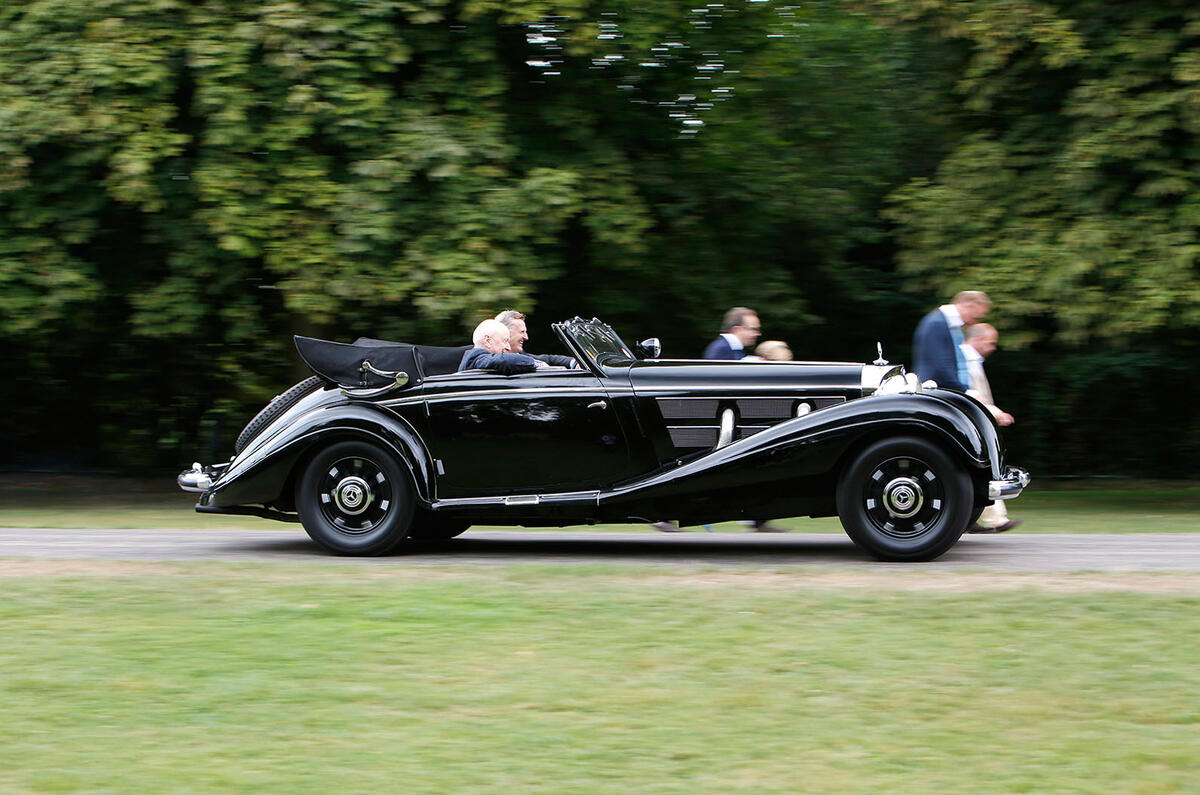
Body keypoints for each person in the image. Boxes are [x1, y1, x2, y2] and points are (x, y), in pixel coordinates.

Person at [960, 323, 1022, 533]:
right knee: (983, 468)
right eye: (990, 342)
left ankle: (971, 520)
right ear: (977, 339)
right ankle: (996, 519)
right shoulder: (967, 361)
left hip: (974, 421)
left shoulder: (970, 360)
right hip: (972, 421)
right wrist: (995, 413)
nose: (993, 347)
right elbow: (971, 394)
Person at [911, 291, 991, 392]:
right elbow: (941, 367)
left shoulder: (949, 325)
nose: (974, 322)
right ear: (969, 306)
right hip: (933, 394)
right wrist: (965, 392)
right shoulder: (937, 323)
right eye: (976, 317)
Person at [495, 310, 576, 368]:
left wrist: (574, 363)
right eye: (522, 332)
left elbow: (548, 359)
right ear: (506, 332)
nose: (526, 337)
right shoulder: (490, 359)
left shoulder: (521, 355)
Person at [458, 319, 540, 375]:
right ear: (488, 341)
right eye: (505, 341)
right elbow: (503, 360)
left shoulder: (476, 359)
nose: (508, 347)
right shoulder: (476, 359)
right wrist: (536, 364)